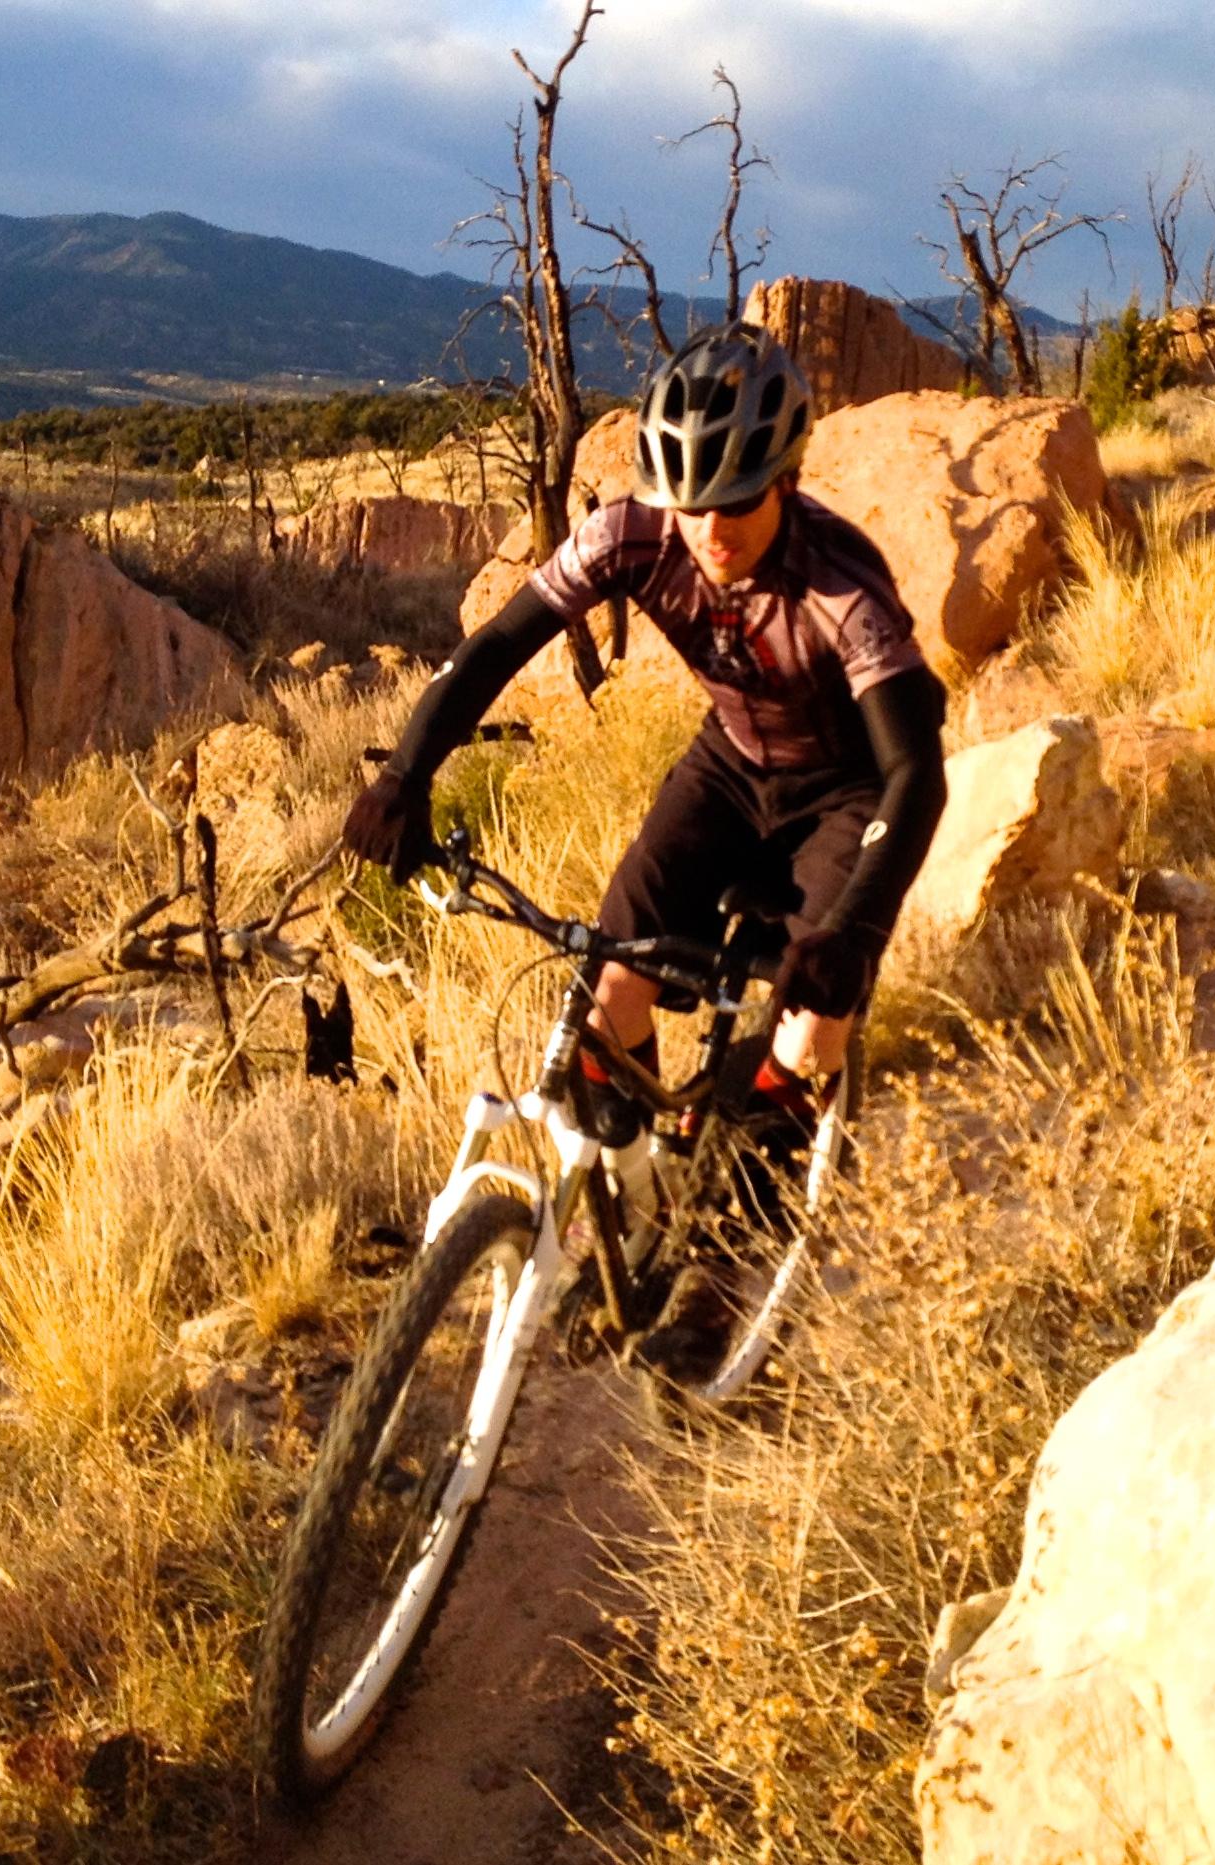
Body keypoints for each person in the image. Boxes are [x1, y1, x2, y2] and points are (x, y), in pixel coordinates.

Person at [341, 322, 949, 1370]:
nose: (710, 529)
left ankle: (718, 1281)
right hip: (728, 764)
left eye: (738, 501)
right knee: (609, 991)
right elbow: (491, 648)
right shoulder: (633, 532)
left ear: (786, 477)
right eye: (690, 503)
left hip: (849, 791)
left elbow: (914, 773)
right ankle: (630, 1199)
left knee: (805, 1036)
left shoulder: (841, 586)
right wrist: (405, 771)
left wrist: (849, 929)